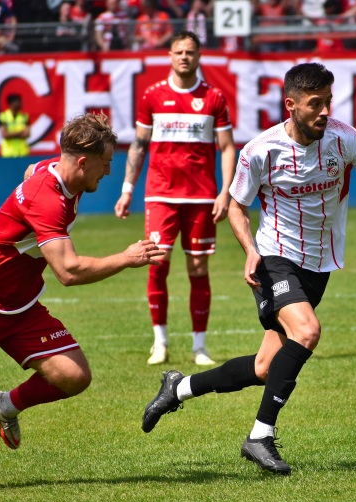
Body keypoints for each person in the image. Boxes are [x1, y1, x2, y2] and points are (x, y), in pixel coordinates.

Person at [140, 62, 356, 475]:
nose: (325, 112)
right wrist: (249, 250)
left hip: (318, 266)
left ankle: (178, 388)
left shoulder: (347, 140)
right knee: (307, 331)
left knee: (264, 368)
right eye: (316, 104)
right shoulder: (260, 150)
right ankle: (260, 436)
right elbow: (238, 206)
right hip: (274, 257)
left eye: (329, 102)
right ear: (291, 105)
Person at [0, 113, 163, 454]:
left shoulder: (56, 171)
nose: (109, 171)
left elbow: (33, 171)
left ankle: (6, 405)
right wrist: (128, 258)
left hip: (18, 306)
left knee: (74, 376)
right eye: (106, 163)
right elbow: (68, 271)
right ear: (83, 162)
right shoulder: (48, 199)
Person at [114, 31, 236, 367]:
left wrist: (225, 191)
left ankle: (200, 347)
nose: (185, 57)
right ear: (169, 54)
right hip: (160, 196)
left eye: (191, 52)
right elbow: (138, 147)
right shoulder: (152, 96)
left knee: (198, 267)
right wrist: (127, 189)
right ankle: (161, 342)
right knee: (157, 264)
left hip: (200, 197)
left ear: (199, 56)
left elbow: (227, 147)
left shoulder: (214, 98)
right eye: (179, 51)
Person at [0, 93, 30, 158]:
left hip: (22, 152)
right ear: (12, 103)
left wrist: (10, 134)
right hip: (8, 153)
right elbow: (4, 135)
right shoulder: (3, 117)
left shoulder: (24, 117)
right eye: (19, 101)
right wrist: (20, 132)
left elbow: (27, 134)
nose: (21, 104)